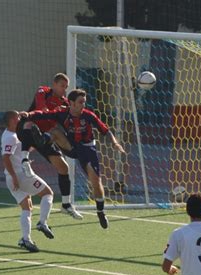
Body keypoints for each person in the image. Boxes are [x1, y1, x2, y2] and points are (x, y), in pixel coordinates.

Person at [20, 89, 125, 229]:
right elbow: (44, 114)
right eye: (80, 102)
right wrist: (29, 114)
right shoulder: (62, 114)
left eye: (84, 102)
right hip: (70, 146)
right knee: (55, 132)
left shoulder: (89, 116)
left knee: (95, 181)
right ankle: (43, 140)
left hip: (87, 149)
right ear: (72, 103)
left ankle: (100, 210)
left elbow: (105, 130)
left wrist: (115, 143)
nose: (83, 105)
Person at [17, 73, 83, 220]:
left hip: (45, 135)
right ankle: (24, 160)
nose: (64, 90)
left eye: (66, 87)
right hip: (29, 128)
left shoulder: (65, 103)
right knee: (29, 124)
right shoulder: (43, 91)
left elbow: (69, 120)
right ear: (54, 84)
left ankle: (66, 205)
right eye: (62, 86)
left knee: (63, 167)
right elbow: (41, 108)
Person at [1, 110, 55, 252]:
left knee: (27, 207)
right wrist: (14, 177)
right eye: (18, 117)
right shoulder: (11, 137)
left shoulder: (13, 135)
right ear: (13, 120)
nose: (20, 119)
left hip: (12, 177)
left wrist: (36, 143)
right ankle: (42, 223)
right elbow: (6, 157)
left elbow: (20, 151)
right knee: (47, 193)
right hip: (20, 176)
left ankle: (26, 239)